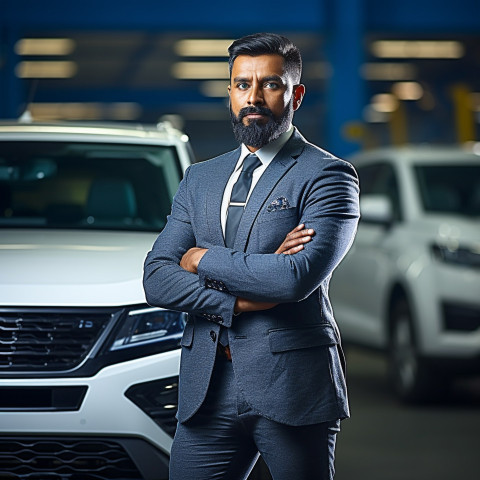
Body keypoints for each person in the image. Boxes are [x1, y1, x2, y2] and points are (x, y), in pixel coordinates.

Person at [143, 32, 359, 480]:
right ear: (230, 93)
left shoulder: (328, 176)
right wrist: (238, 301)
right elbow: (157, 277)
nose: (254, 97)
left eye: (271, 84)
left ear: (295, 94)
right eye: (243, 85)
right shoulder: (200, 178)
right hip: (207, 389)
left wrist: (200, 258)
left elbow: (293, 279)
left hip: (292, 387)